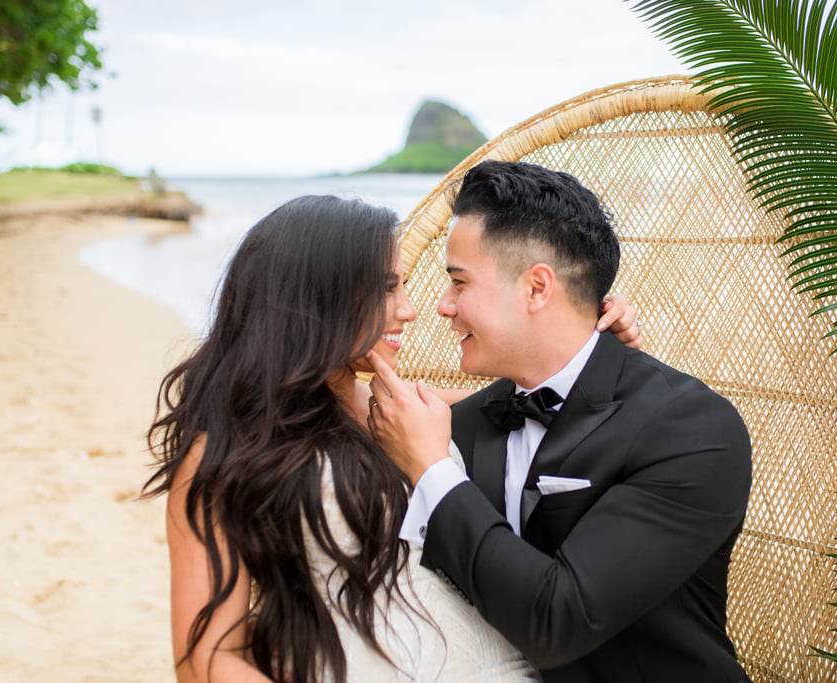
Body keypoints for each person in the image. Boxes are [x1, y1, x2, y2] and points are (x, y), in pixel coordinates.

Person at [142, 194, 642, 683]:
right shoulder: (225, 449)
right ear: (316, 296)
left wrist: (589, 341)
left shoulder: (419, 410)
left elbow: (551, 401)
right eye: (386, 289)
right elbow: (205, 659)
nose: (408, 310)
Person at [367, 160, 753, 683]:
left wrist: (434, 472)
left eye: (459, 282)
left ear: (536, 288)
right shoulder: (461, 424)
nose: (443, 306)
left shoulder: (694, 430)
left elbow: (558, 621)